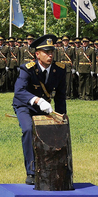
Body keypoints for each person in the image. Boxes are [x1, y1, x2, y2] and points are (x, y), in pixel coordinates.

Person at [12, 35, 67, 185]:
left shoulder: (59, 70)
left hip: (44, 107)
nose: (50, 55)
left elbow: (61, 96)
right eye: (46, 52)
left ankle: (47, 168)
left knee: (49, 134)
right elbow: (19, 91)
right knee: (29, 130)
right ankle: (31, 172)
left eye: (52, 52)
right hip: (25, 105)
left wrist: (62, 115)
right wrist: (37, 100)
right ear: (37, 54)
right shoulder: (27, 69)